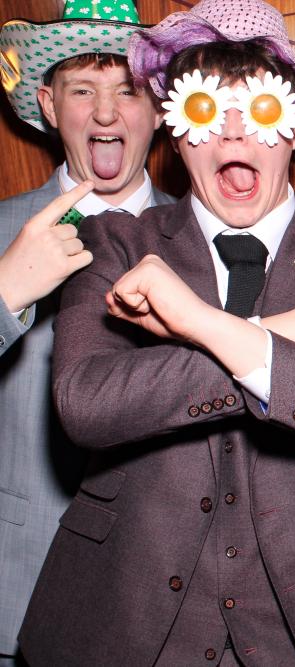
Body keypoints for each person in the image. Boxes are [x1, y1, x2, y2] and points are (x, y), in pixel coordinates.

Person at [17, 1, 295, 665]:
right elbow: (86, 403)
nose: (234, 135)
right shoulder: (114, 242)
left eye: (260, 110)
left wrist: (199, 325)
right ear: (176, 130)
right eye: (207, 110)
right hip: (132, 621)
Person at [0, 1, 174, 662]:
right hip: (20, 585)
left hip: (168, 605)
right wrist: (5, 292)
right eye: (82, 91)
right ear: (49, 105)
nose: (106, 114)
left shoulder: (210, 238)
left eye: (127, 91)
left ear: (159, 109)